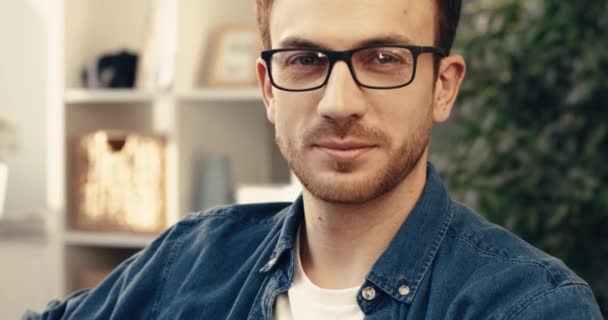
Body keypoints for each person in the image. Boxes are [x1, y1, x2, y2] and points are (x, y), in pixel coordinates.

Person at [26, 0, 603, 319]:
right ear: (268, 88)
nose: (338, 103)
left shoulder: (528, 307)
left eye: (383, 57)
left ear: (443, 87)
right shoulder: (189, 262)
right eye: (304, 59)